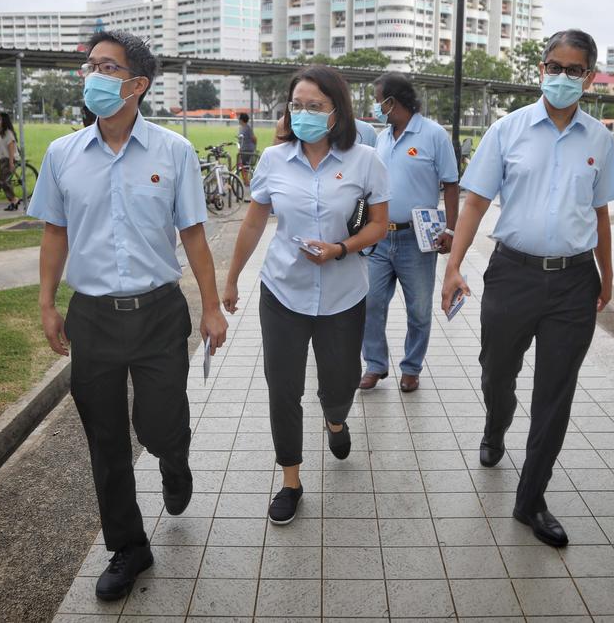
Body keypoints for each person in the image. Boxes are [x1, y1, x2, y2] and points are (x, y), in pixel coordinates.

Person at [28, 30, 228, 601]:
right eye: (91, 65)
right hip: (92, 316)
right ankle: (128, 546)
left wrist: (211, 307)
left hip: (159, 313)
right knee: (106, 440)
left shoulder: (174, 152)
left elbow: (192, 235)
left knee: (160, 423)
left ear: (137, 85)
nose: (94, 75)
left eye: (107, 67)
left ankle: (173, 458)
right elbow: (54, 232)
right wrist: (46, 303)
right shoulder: (64, 154)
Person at [441, 29, 614, 548]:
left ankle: (531, 499)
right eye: (553, 66)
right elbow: (473, 202)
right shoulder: (508, 130)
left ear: (589, 76)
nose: (561, 77)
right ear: (541, 69)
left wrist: (607, 275)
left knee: (555, 394)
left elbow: (602, 213)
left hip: (573, 282)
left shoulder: (599, 140)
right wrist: (454, 267)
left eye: (573, 70)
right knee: (497, 370)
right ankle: (496, 425)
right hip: (511, 274)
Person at [222, 64, 388, 526]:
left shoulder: (365, 160)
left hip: (343, 294)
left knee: (338, 383)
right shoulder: (274, 160)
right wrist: (232, 278)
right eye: (297, 105)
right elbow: (255, 221)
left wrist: (340, 248)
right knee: (283, 390)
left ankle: (336, 419)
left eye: (314, 106)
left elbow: (379, 224)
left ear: (336, 111)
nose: (304, 113)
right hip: (283, 292)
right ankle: (290, 481)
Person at [360, 74, 458, 393]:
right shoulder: (382, 137)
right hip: (379, 236)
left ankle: (412, 367)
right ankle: (375, 364)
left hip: (418, 239)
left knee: (417, 308)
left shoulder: (433, 135)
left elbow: (452, 184)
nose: (376, 106)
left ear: (393, 101)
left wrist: (451, 230)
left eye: (379, 100)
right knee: (371, 302)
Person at [0, 112, 20, 211]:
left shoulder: (8, 133)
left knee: (3, 181)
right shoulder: (0, 132)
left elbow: (11, 147)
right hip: (2, 159)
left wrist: (11, 162)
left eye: (0, 119)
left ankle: (14, 200)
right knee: (2, 181)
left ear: (4, 121)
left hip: (8, 159)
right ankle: (13, 201)